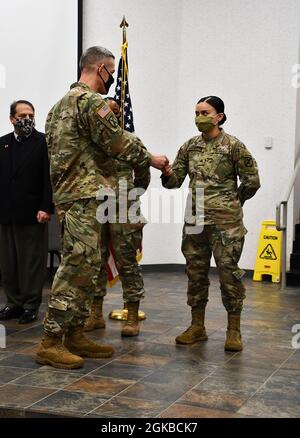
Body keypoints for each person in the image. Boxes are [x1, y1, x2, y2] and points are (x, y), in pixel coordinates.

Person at [36, 46, 168, 369]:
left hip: (75, 197)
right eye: (111, 71)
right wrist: (151, 159)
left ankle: (75, 333)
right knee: (78, 265)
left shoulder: (56, 108)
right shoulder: (90, 102)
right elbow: (117, 142)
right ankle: (51, 340)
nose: (112, 80)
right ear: (99, 69)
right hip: (84, 197)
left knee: (89, 264)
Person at [161, 96, 260, 351]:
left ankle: (233, 330)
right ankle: (197, 327)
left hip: (225, 223)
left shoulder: (233, 146)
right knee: (195, 273)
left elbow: (252, 181)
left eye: (205, 112)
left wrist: (232, 202)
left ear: (219, 116)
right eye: (196, 113)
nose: (199, 117)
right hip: (195, 221)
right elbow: (175, 182)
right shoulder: (189, 147)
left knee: (229, 274)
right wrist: (166, 172)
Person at [84, 97, 150, 336]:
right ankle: (95, 313)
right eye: (103, 112)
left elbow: (143, 175)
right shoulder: (90, 142)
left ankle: (132, 315)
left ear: (119, 115)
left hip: (125, 208)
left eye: (112, 112)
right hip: (97, 206)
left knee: (127, 261)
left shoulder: (130, 141)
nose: (108, 116)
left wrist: (129, 197)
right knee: (95, 260)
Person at [0, 100, 53, 324]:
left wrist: (45, 207)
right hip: (6, 213)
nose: (28, 119)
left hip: (33, 213)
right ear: (12, 118)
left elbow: (48, 179)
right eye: (23, 115)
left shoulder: (43, 142)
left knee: (31, 263)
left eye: (31, 115)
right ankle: (13, 303)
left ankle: (30, 305)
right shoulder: (2, 143)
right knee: (8, 262)